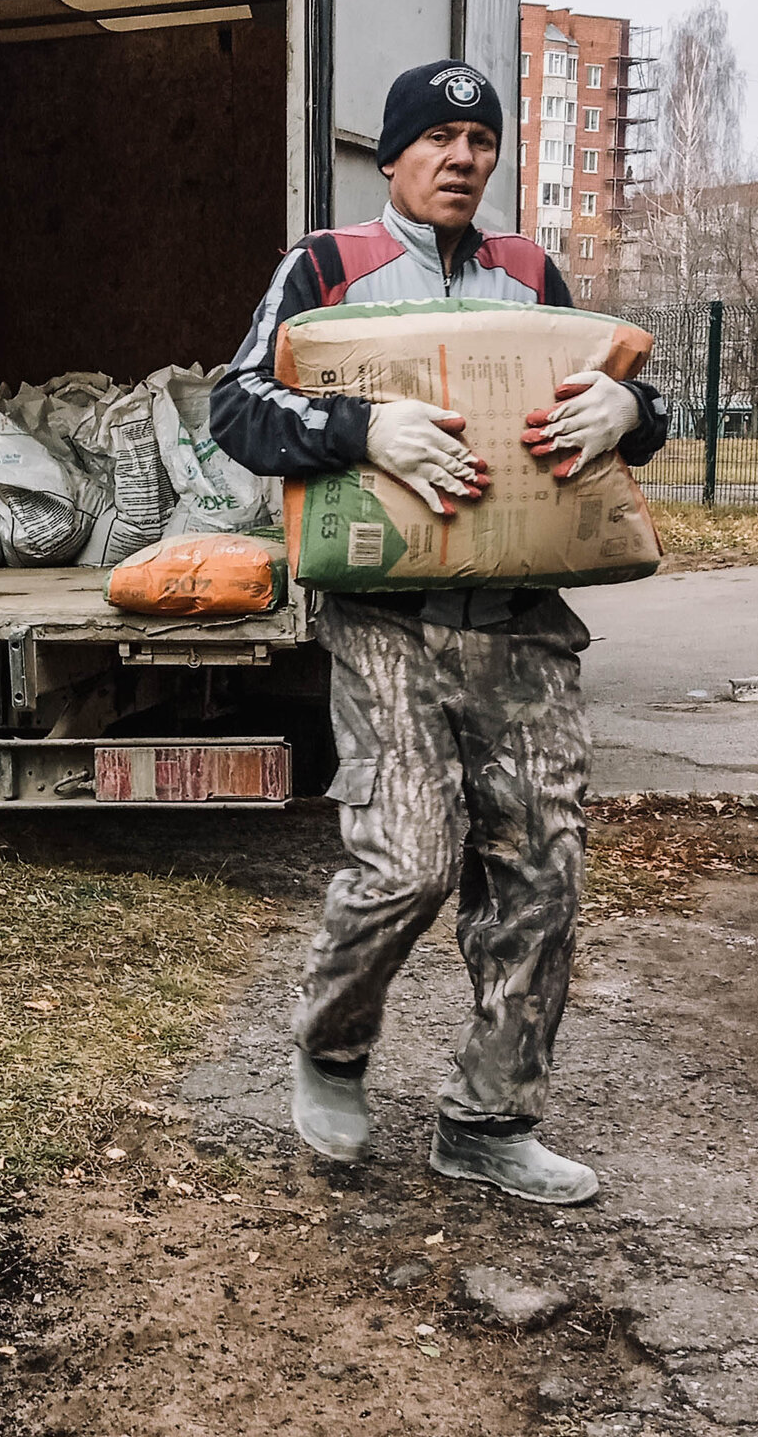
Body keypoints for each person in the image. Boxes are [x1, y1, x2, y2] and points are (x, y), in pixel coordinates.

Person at [208, 60, 668, 1205]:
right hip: (387, 623)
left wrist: (636, 410)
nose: (463, 157)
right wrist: (366, 428)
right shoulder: (327, 268)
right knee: (405, 864)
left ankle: (489, 1118)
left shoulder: (530, 275)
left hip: (521, 629)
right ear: (394, 154)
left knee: (539, 876)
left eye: (481, 139)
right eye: (439, 137)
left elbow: (615, 402)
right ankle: (331, 1046)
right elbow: (237, 406)